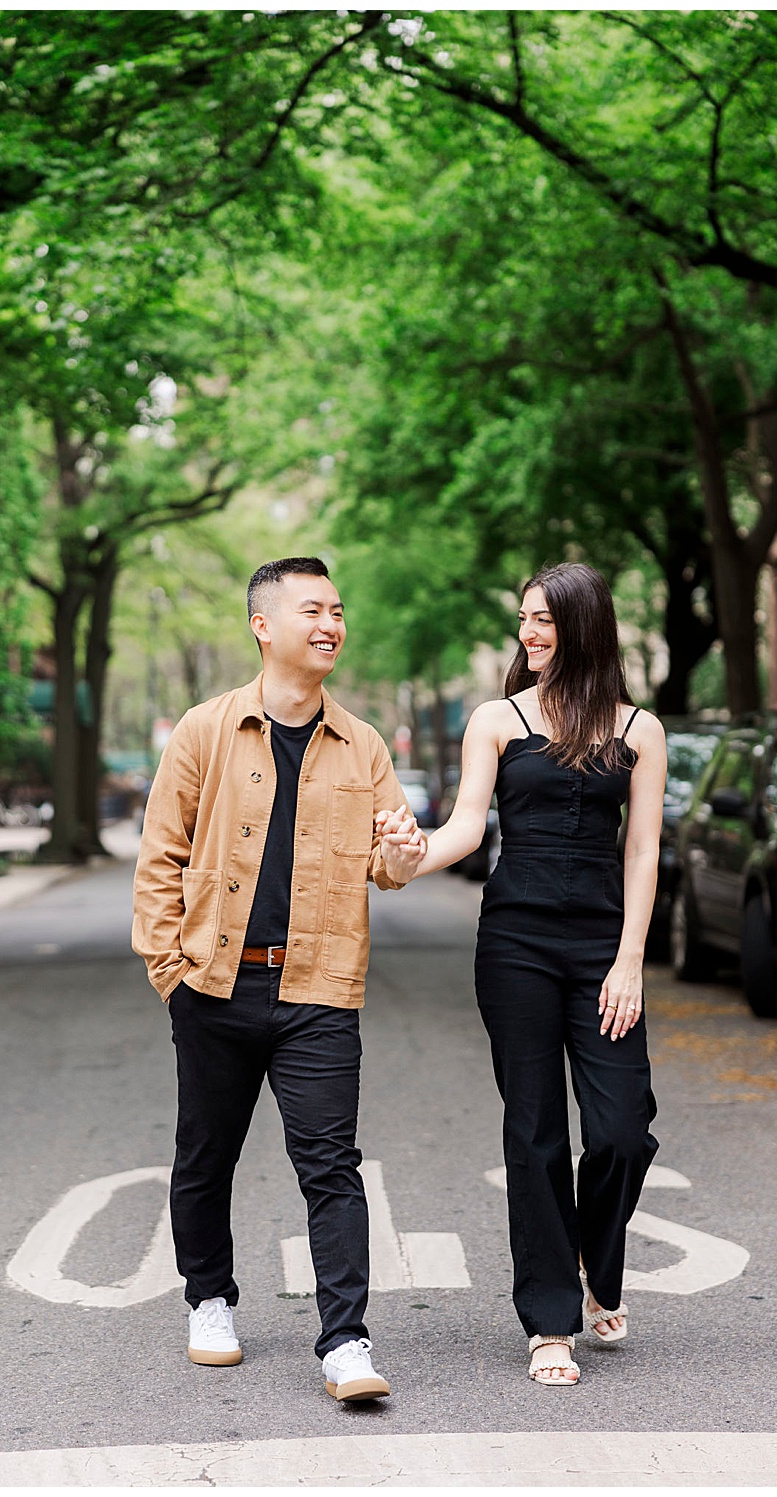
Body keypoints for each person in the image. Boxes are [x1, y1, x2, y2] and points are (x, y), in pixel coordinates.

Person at [132, 556, 426, 1404]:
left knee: (331, 1164)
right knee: (206, 1155)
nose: (331, 623)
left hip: (320, 989)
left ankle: (344, 1338)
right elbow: (161, 855)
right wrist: (170, 972)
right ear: (264, 625)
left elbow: (390, 856)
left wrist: (401, 858)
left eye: (338, 609)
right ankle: (210, 1298)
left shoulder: (363, 743)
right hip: (216, 983)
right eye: (313, 610)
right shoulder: (204, 730)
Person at [397, 560, 665, 1387]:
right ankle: (551, 1320)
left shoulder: (639, 730)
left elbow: (644, 849)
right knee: (537, 1129)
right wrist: (408, 857)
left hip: (600, 951)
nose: (529, 633)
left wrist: (629, 961)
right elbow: (466, 827)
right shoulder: (497, 719)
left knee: (623, 1126)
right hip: (514, 943)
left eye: (544, 619)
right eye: (524, 619)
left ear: (583, 625)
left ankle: (591, 1255)